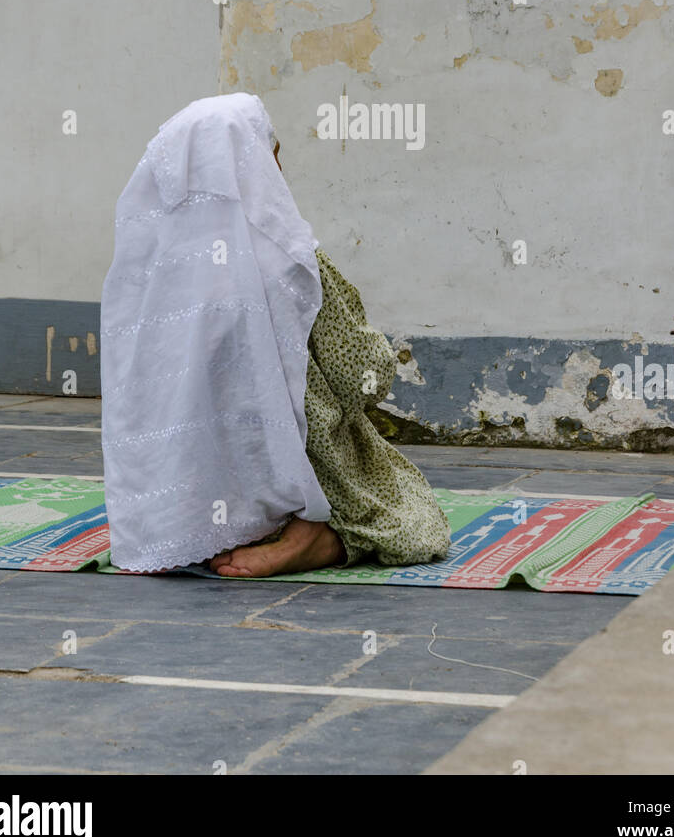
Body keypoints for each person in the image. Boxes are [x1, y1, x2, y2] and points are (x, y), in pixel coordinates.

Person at [100, 93, 450, 578]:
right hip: (293, 458)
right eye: (270, 153)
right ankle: (315, 528)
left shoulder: (149, 276)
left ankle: (219, 530)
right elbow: (364, 373)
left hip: (191, 485)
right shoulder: (292, 262)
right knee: (405, 513)